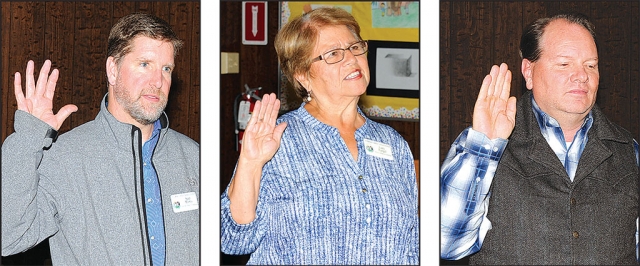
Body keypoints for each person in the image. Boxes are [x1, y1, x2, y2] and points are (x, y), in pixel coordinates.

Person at [220, 7, 419, 265]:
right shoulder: (278, 139)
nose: (351, 59)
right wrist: (250, 164)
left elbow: (411, 245)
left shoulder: (392, 142)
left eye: (355, 47)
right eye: (334, 54)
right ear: (303, 76)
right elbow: (235, 240)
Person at [440, 13, 639, 265]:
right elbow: (445, 242)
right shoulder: (487, 145)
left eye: (591, 65)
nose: (582, 75)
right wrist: (484, 147)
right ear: (529, 71)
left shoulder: (628, 150)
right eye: (564, 64)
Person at [1, 13, 199, 265]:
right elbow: (9, 237)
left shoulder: (193, 157)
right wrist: (28, 141)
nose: (158, 81)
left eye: (166, 68)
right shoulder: (65, 158)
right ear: (112, 70)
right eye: (144, 64)